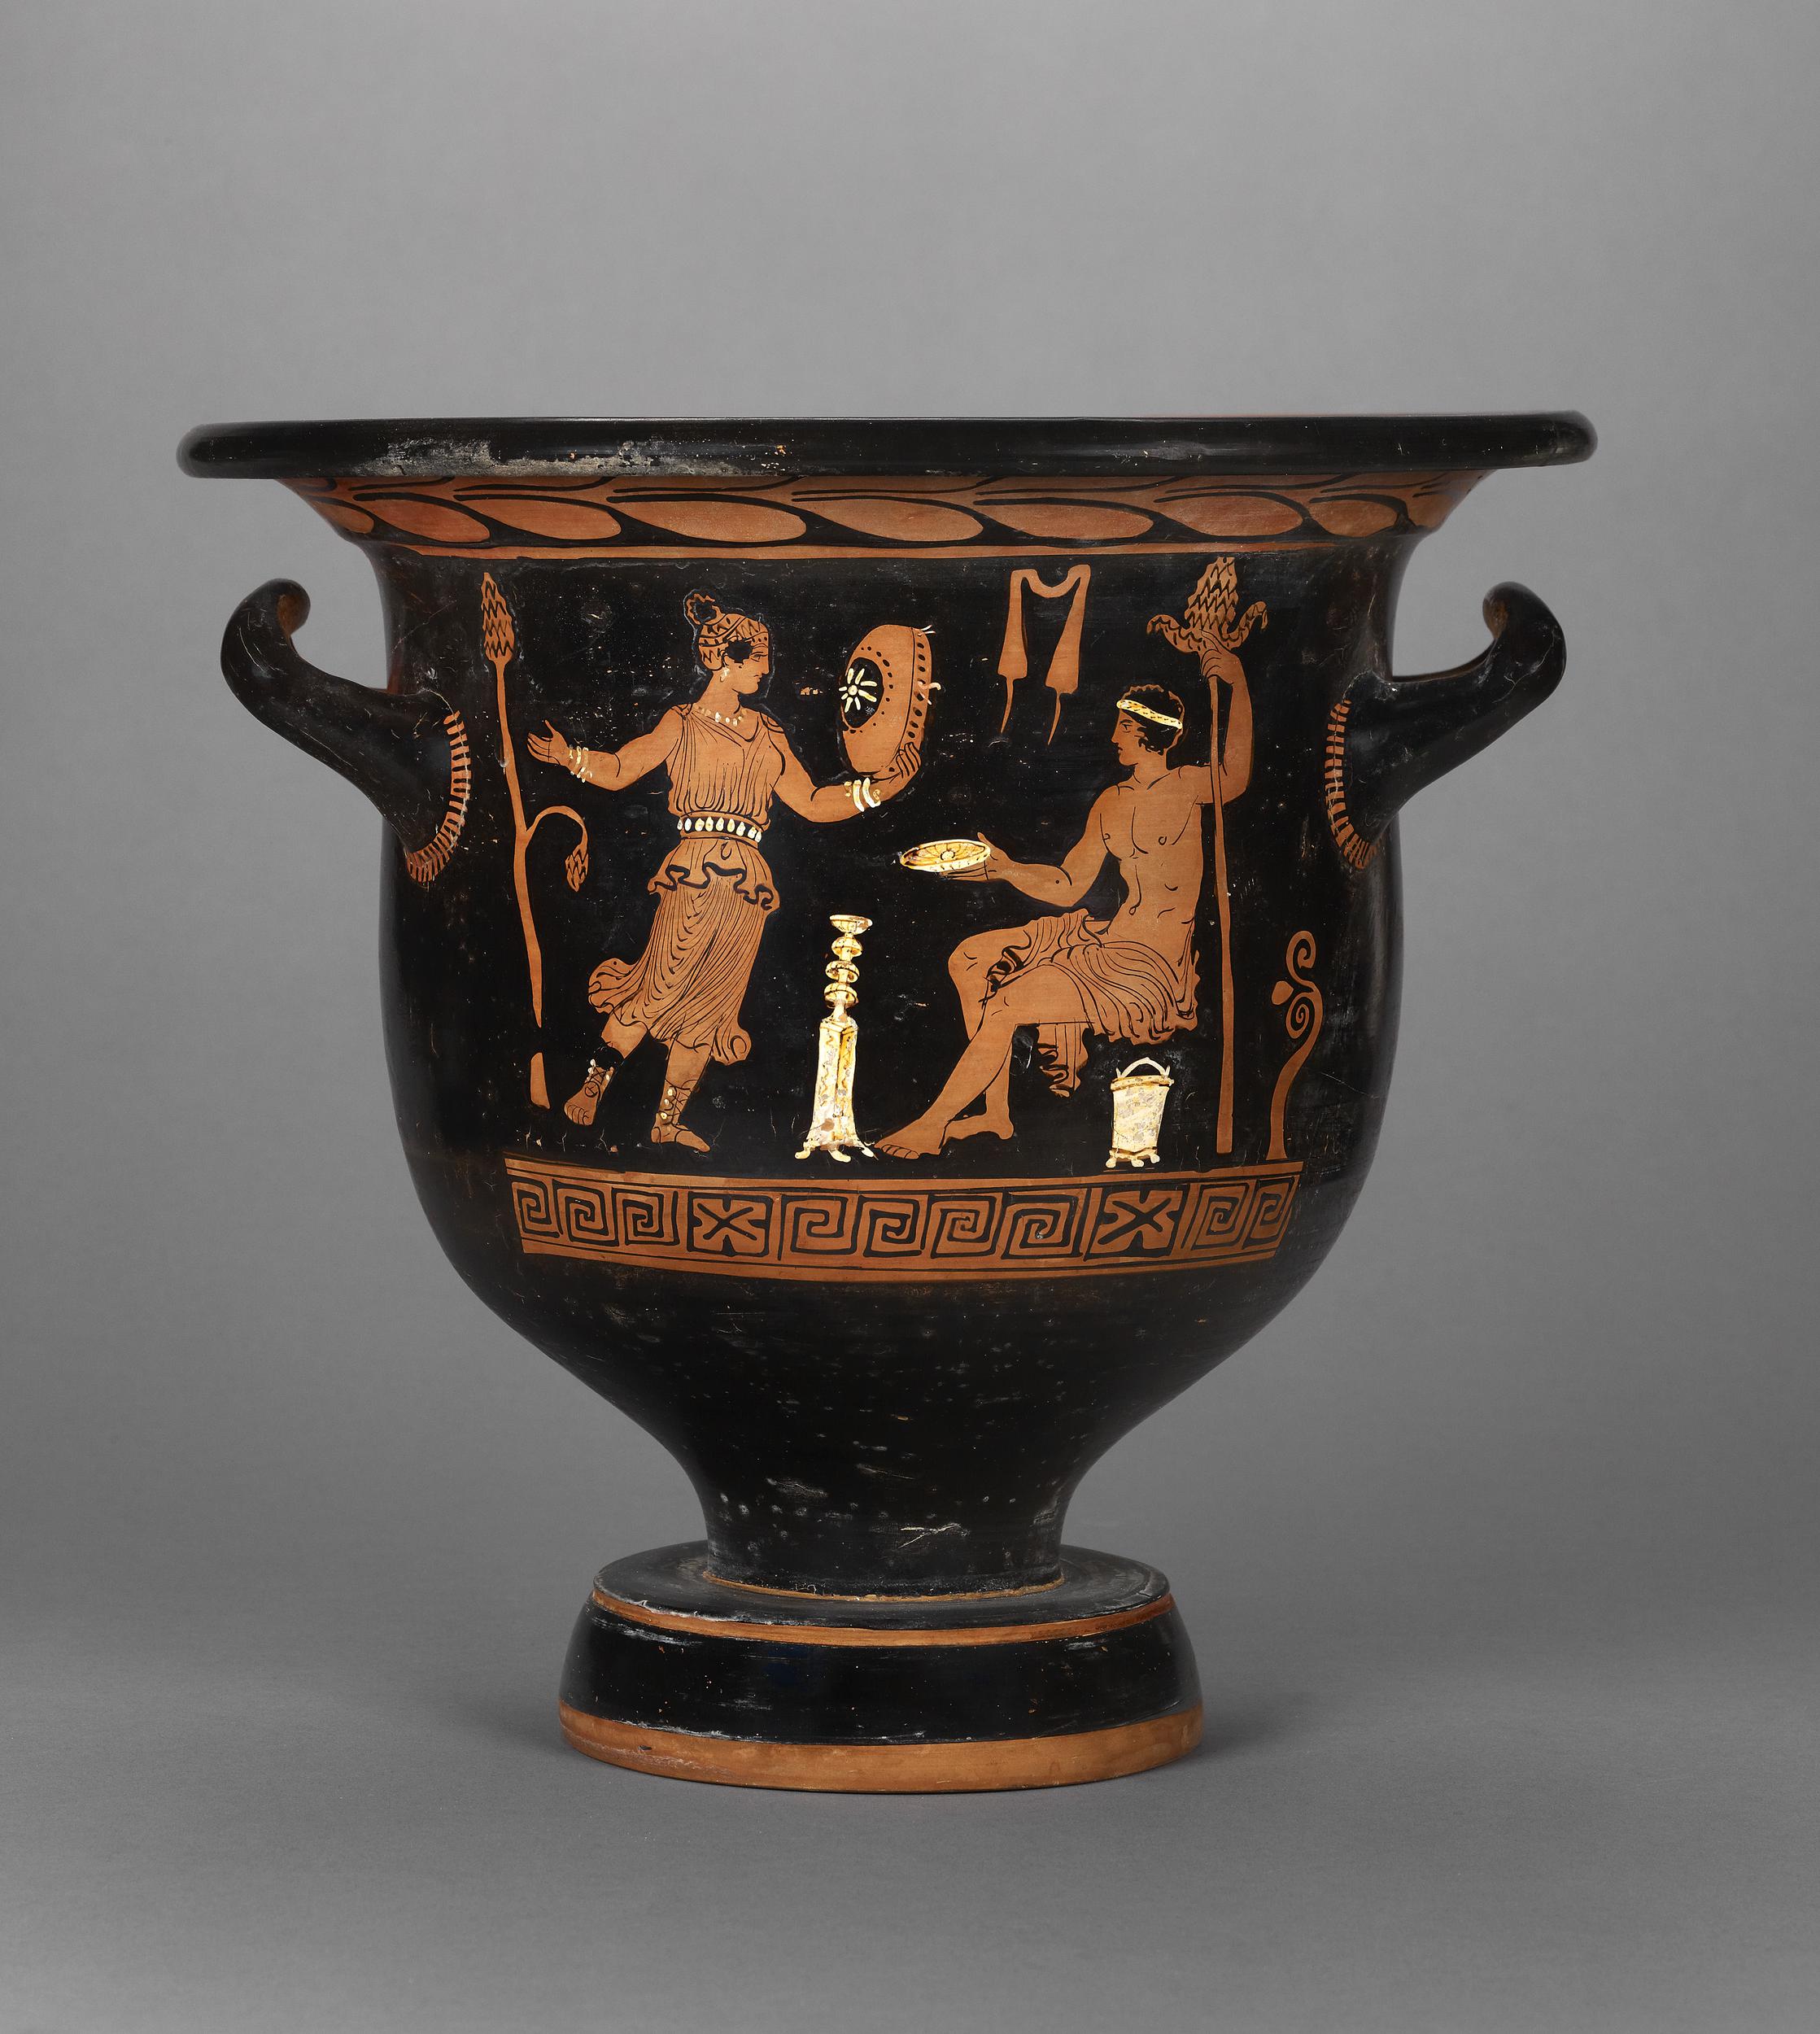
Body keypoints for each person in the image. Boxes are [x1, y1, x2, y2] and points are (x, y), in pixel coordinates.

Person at [530, 592, 914, 1150]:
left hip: (748, 884)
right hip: (694, 870)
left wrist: (877, 791)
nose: (765, 670)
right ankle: (592, 1090)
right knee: (656, 984)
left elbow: (811, 802)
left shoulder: (769, 733)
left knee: (713, 1004)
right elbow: (622, 769)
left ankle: (667, 1123)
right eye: (757, 660)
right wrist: (570, 757)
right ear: (723, 661)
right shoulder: (682, 723)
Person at [876, 677, 1250, 1159]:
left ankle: (932, 1124)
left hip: (1150, 965)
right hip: (1107, 940)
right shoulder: (1112, 802)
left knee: (1007, 1005)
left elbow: (1236, 774)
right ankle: (995, 1113)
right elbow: (1069, 884)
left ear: (1149, 733)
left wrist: (1236, 678)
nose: (1114, 737)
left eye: (1124, 727)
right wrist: (1005, 869)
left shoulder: (1189, 786)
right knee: (968, 958)